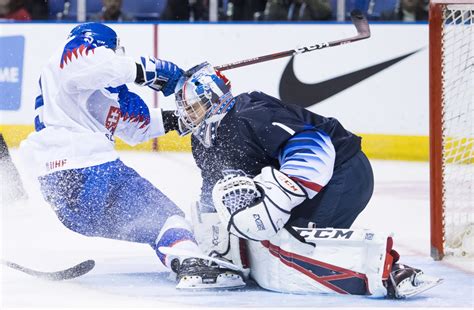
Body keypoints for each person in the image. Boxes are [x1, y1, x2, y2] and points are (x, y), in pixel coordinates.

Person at [170, 62, 442, 298]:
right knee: (272, 237)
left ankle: (393, 272)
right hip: (316, 181)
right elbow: (214, 190)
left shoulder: (250, 113)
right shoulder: (203, 139)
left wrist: (281, 196)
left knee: (294, 242)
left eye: (193, 107)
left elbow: (313, 145)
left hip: (343, 172)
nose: (187, 116)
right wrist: (215, 245)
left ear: (214, 99)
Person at [19, 23, 245, 290]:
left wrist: (188, 111)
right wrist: (150, 71)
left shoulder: (97, 95)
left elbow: (136, 125)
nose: (117, 55)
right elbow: (102, 66)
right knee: (168, 217)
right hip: (93, 171)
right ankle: (191, 264)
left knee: (156, 225)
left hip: (64, 196)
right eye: (114, 50)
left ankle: (181, 258)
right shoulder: (70, 55)